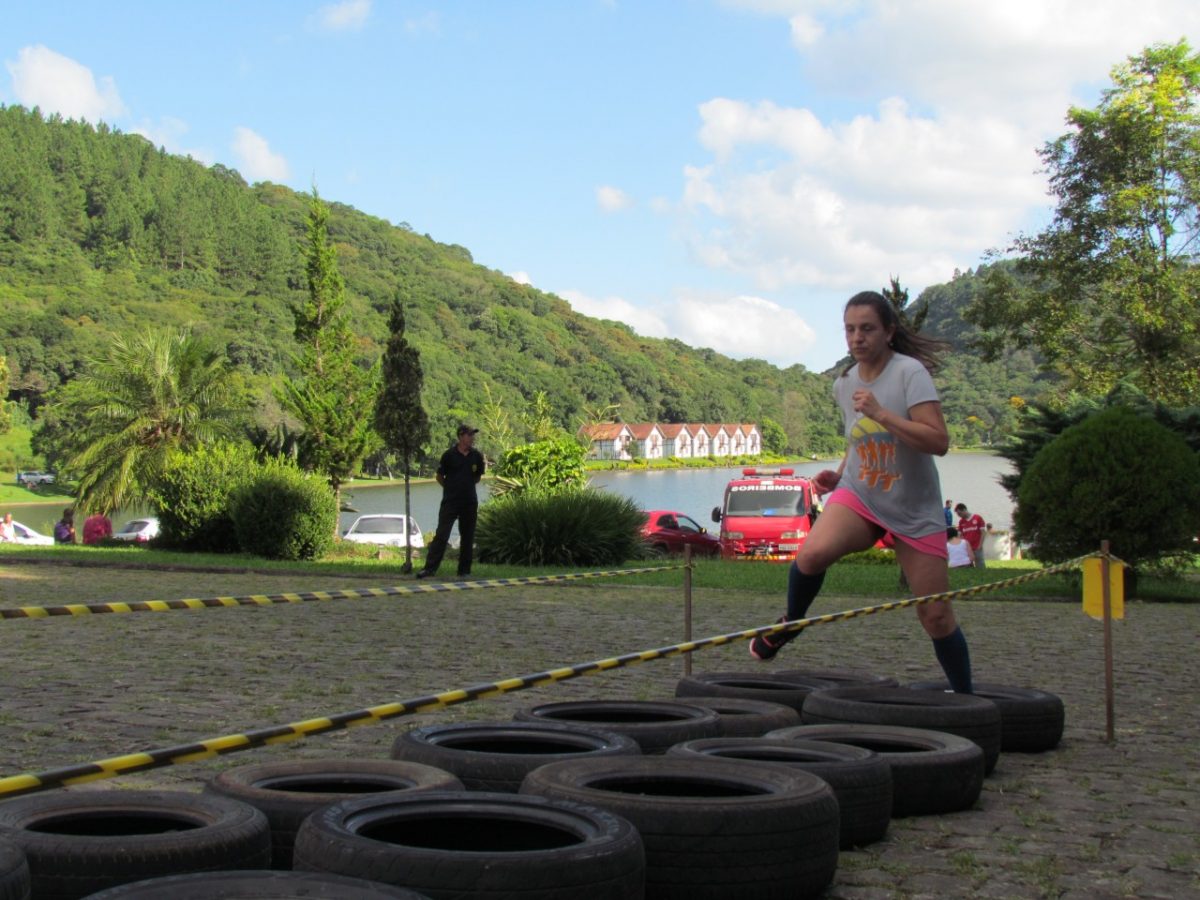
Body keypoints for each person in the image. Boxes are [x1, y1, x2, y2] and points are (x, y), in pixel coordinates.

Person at [749, 290, 973, 694]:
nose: (857, 338)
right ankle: (792, 623)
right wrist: (838, 475)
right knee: (811, 555)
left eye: (867, 328)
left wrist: (882, 413)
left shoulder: (910, 374)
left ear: (888, 332)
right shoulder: (845, 383)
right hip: (862, 494)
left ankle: (968, 701)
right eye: (850, 330)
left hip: (913, 508)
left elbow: (938, 441)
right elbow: (858, 440)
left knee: (936, 615)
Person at [417, 425, 486, 579]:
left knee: (467, 537)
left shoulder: (477, 456)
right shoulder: (449, 455)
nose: (472, 438)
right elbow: (439, 476)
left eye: (473, 435)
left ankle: (464, 571)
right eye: (469, 435)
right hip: (450, 502)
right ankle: (429, 569)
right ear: (461, 436)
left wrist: (465, 486)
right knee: (442, 534)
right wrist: (450, 488)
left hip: (469, 502)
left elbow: (477, 477)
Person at [954, 502, 988, 568]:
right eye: (958, 514)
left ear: (964, 510)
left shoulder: (977, 518)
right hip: (967, 548)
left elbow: (983, 533)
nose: (959, 516)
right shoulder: (961, 522)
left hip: (977, 547)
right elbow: (960, 535)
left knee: (980, 565)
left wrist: (980, 545)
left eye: (960, 513)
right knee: (968, 566)